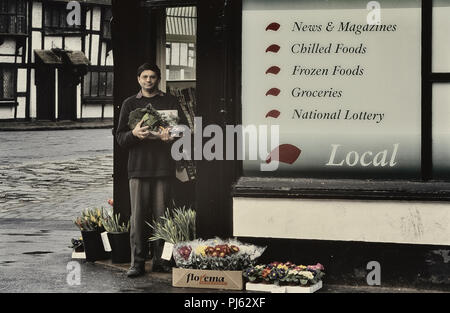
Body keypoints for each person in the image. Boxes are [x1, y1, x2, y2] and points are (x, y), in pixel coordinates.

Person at [116, 63, 186, 277]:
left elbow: (183, 129)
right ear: (138, 79)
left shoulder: (169, 101)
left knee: (162, 217)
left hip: (163, 168)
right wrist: (134, 135)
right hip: (137, 169)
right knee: (137, 219)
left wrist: (171, 135)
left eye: (152, 77)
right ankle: (137, 263)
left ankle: (161, 261)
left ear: (158, 79)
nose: (148, 80)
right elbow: (120, 138)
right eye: (145, 77)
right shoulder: (129, 103)